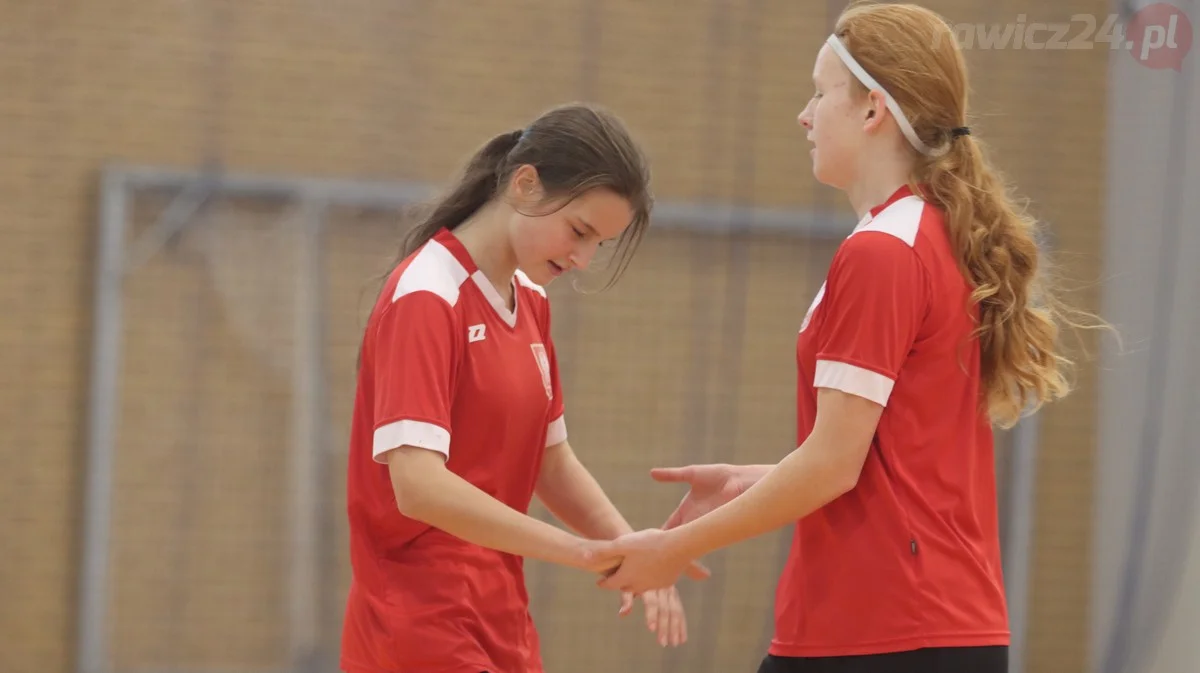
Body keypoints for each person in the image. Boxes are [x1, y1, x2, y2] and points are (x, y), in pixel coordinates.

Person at [595, 3, 1101, 672]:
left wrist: (676, 545)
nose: (805, 114)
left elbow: (834, 465)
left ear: (873, 111)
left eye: (820, 91)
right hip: (919, 625)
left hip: (884, 626)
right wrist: (758, 481)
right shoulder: (931, 236)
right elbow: (879, 459)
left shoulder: (884, 252)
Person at [339, 103, 706, 673]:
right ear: (525, 183)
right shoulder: (427, 295)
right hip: (417, 625)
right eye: (579, 231)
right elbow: (419, 488)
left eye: (599, 245)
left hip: (501, 615)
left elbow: (550, 464)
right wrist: (585, 553)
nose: (583, 260)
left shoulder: (529, 302)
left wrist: (634, 550)